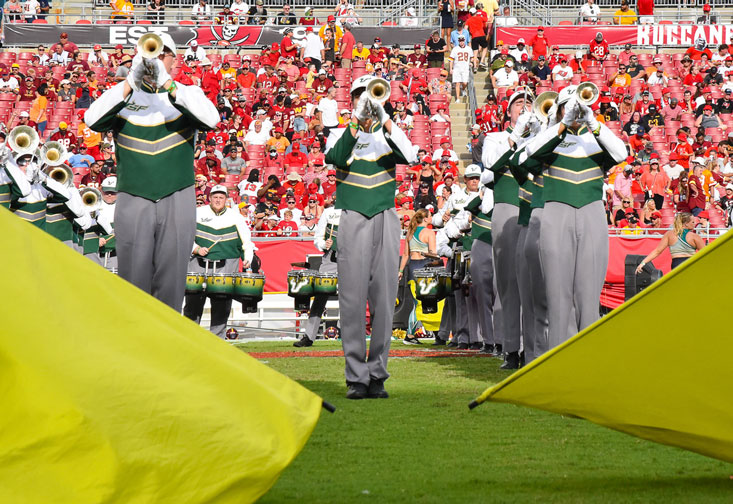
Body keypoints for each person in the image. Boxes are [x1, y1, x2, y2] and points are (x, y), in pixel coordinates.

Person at [85, 33, 219, 312]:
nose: (156, 61)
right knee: (132, 278)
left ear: (173, 59)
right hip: (133, 194)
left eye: (162, 55)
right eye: (150, 55)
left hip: (178, 193)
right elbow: (92, 120)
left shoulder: (186, 92)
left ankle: (167, 346)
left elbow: (211, 119)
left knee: (172, 280)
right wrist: (131, 81)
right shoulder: (122, 95)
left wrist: (167, 83)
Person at [324, 75, 416, 400]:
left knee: (383, 298)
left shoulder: (388, 134)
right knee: (351, 300)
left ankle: (377, 374)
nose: (367, 101)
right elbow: (334, 157)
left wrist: (385, 117)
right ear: (351, 100)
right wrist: (355, 122)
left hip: (385, 217)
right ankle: (355, 377)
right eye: (360, 96)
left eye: (371, 96)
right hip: (352, 217)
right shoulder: (340, 132)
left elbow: (411, 155)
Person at [523, 85, 627, 351]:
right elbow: (530, 154)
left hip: (592, 210)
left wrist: (593, 121)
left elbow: (621, 153)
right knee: (558, 294)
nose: (574, 110)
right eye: (567, 106)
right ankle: (558, 356)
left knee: (588, 292)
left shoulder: (595, 137)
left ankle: (588, 357)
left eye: (576, 105)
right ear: (559, 109)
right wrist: (562, 124)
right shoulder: (552, 137)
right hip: (556, 211)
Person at [183, 185, 255, 339]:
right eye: (215, 197)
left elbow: (247, 242)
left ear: (226, 199)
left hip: (226, 266)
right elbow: (184, 235)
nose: (218, 200)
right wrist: (196, 249)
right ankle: (188, 339)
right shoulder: (197, 213)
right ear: (210, 198)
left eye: (221, 197)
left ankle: (217, 341)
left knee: (221, 306)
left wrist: (248, 259)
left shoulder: (236, 217)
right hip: (198, 263)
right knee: (193, 303)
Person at [398, 209, 437, 345]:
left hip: (412, 267)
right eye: (430, 215)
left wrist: (400, 270)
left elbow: (405, 255)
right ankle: (410, 334)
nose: (432, 218)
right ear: (425, 219)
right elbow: (433, 253)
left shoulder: (410, 232)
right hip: (424, 266)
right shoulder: (429, 233)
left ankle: (413, 334)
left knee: (417, 302)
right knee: (424, 303)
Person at [636, 212, 705, 271]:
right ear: (686, 223)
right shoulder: (694, 236)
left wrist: (643, 263)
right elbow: (705, 253)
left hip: (676, 264)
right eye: (692, 222)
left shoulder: (669, 234)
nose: (694, 223)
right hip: (691, 264)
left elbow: (657, 251)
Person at [450, 35, 473, 102]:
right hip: (457, 68)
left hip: (465, 68)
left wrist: (471, 62)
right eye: (460, 41)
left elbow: (472, 57)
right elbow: (451, 59)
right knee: (457, 83)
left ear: (464, 41)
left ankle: (463, 89)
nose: (461, 42)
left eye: (462, 41)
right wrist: (451, 68)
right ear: (458, 41)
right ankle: (458, 98)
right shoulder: (455, 49)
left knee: (465, 83)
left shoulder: (468, 49)